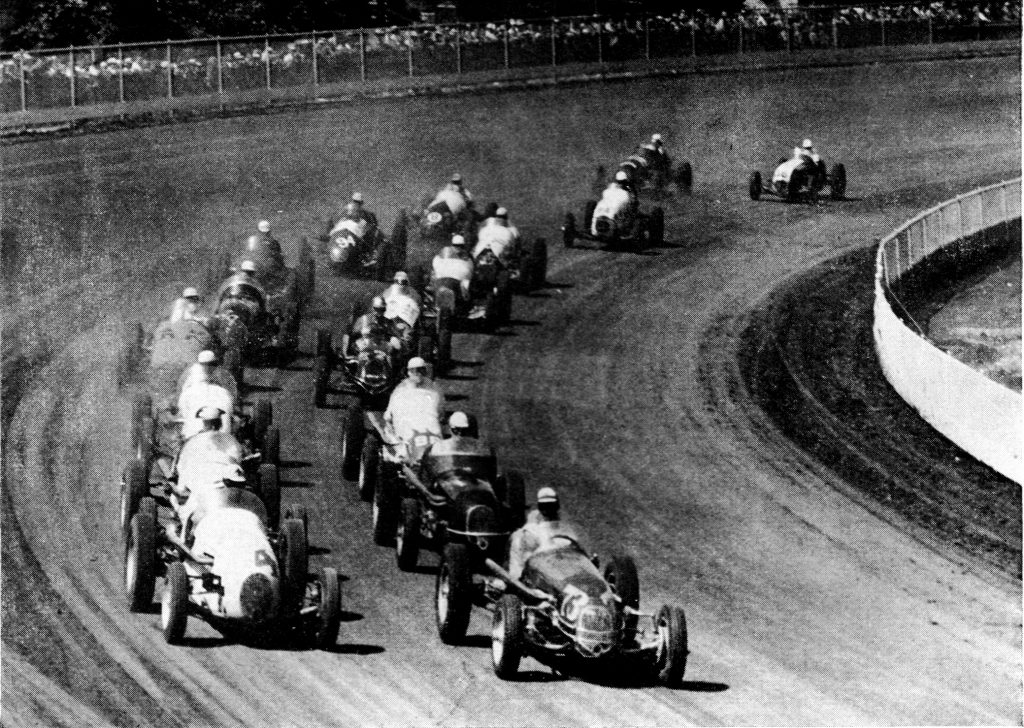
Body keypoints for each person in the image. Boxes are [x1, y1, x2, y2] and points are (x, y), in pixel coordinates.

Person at [507, 487, 584, 581]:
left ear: (556, 506)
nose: (548, 510)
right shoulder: (529, 533)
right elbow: (519, 568)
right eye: (545, 507)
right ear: (541, 508)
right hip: (541, 582)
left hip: (568, 578)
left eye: (551, 506)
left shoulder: (567, 530)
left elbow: (580, 557)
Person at [383, 356, 444, 465]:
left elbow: (440, 411)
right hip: (407, 424)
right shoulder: (401, 389)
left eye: (420, 370)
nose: (417, 373)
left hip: (428, 423)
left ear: (425, 371)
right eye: (414, 370)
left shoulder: (434, 388)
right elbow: (390, 414)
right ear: (409, 372)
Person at [177, 364, 234, 439]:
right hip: (224, 439)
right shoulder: (224, 392)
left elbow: (183, 414)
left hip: (194, 438)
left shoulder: (187, 394)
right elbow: (230, 411)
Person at [432, 234, 475, 298]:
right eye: (457, 246)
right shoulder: (467, 256)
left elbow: (434, 264)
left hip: (442, 278)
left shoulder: (443, 252)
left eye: (460, 246)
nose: (458, 248)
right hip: (458, 279)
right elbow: (471, 270)